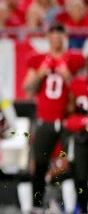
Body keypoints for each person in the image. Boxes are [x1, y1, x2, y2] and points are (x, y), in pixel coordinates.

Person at [23, 23, 85, 213]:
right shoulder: (39, 59)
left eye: (60, 33)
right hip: (45, 121)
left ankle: (81, 206)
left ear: (65, 36)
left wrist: (68, 77)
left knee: (78, 166)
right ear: (48, 36)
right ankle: (37, 205)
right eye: (53, 33)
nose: (57, 37)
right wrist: (41, 72)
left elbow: (82, 89)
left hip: (68, 122)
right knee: (39, 165)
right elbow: (27, 90)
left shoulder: (75, 59)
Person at [66, 74, 88, 214]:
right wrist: (83, 122)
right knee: (80, 178)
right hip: (82, 139)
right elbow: (67, 117)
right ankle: (82, 208)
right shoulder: (78, 84)